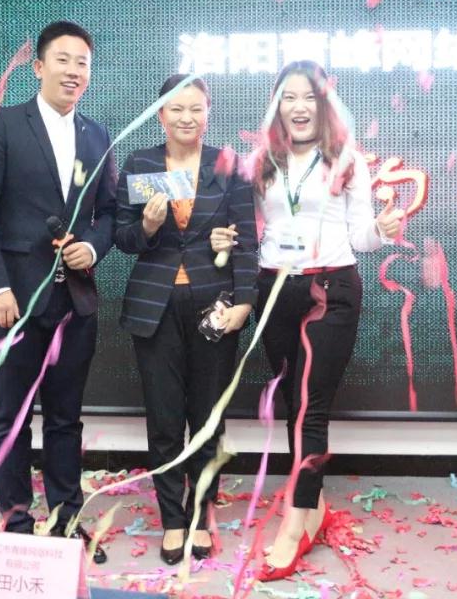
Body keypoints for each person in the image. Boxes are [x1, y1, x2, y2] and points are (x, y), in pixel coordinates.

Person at [0, 21, 117, 563]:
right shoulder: (3, 128)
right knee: (12, 417)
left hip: (75, 303)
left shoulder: (97, 136)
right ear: (38, 67)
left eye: (83, 63)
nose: (74, 71)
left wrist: (92, 247)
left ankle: (66, 518)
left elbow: (109, 213)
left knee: (65, 418)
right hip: (14, 303)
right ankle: (16, 523)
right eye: (63, 60)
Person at [245, 61, 402, 581]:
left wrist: (381, 229)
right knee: (293, 404)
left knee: (310, 411)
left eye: (309, 97)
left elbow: (361, 238)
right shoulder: (261, 162)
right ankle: (313, 510)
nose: (299, 107)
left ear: (325, 104)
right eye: (289, 97)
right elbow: (252, 230)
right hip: (274, 290)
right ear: (277, 105)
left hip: (330, 291)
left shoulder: (347, 160)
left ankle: (293, 527)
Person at [114, 75, 258, 564]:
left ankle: (201, 513)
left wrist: (244, 302)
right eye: (176, 109)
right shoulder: (140, 165)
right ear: (160, 115)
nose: (186, 117)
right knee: (163, 418)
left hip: (213, 306)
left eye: (196, 108)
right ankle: (172, 519)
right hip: (154, 306)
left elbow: (246, 241)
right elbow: (123, 238)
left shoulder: (228, 166)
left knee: (207, 418)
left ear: (207, 113)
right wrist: (148, 225)